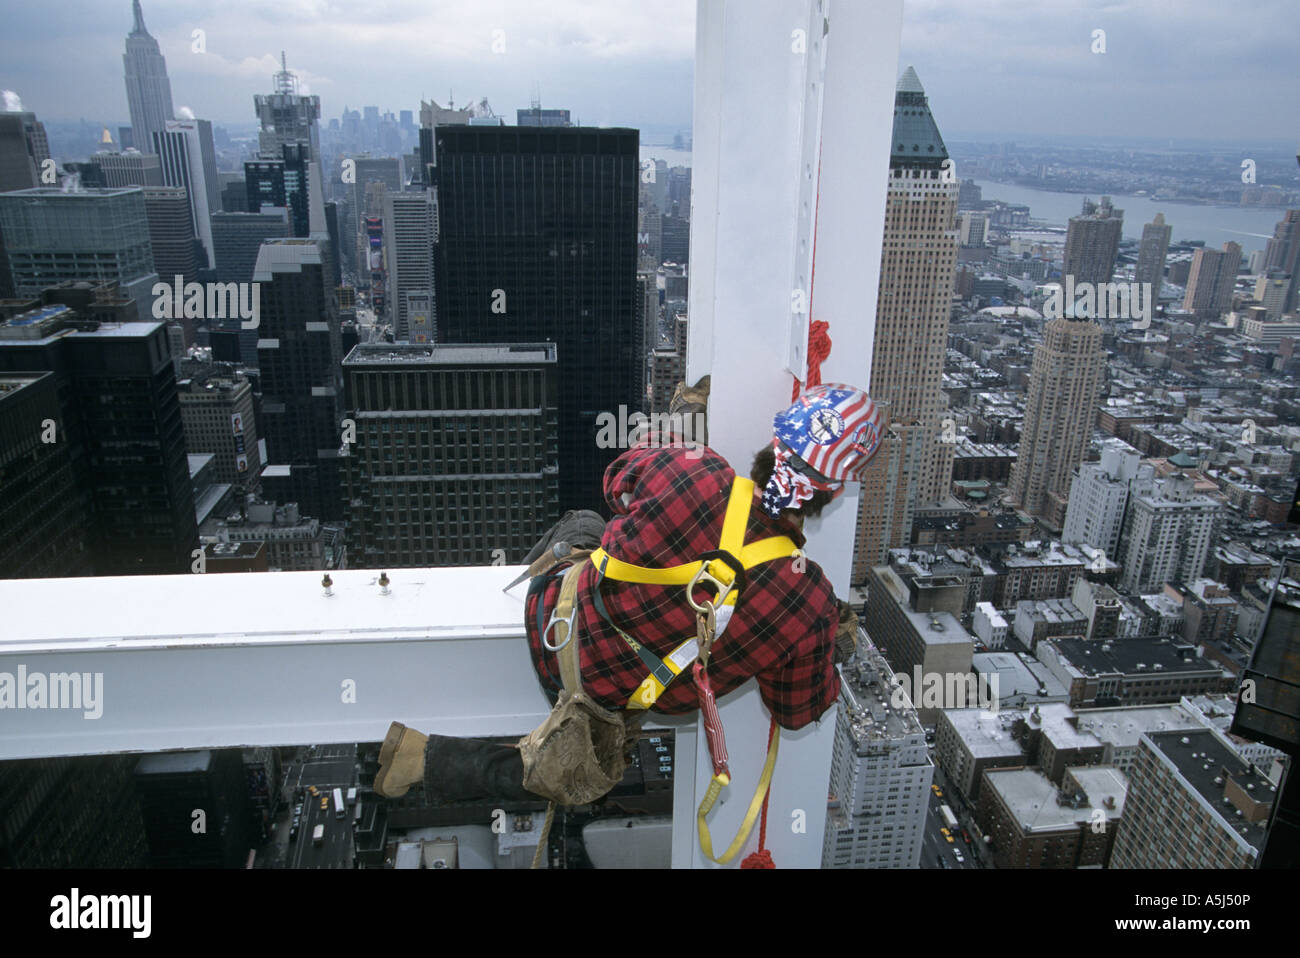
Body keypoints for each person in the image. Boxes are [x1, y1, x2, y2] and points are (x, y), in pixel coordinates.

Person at [373, 382, 882, 804]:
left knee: (589, 522)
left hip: (552, 619)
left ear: (776, 441)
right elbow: (797, 712)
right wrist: (830, 639)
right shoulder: (809, 600)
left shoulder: (696, 468)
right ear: (833, 491)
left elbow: (617, 482)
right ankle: (423, 759)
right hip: (607, 701)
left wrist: (681, 431)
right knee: (585, 769)